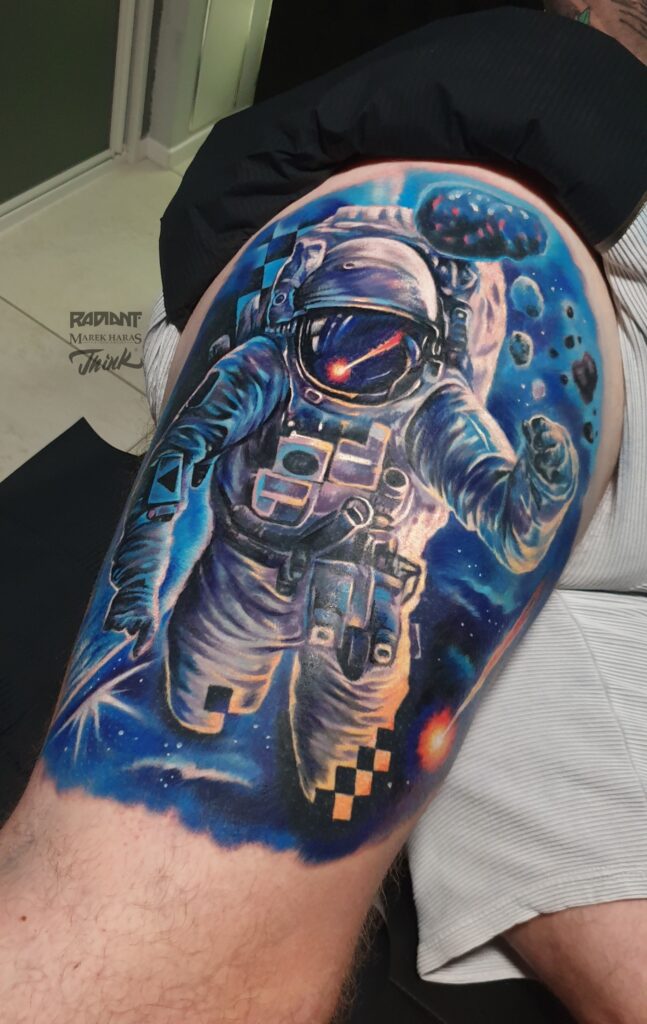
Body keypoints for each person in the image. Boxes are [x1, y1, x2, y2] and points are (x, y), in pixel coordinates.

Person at [0, 12, 644, 1024]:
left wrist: (530, 487)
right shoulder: (267, 364)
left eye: (379, 347)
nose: (352, 367)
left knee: (335, 756)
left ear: (419, 346)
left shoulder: (433, 402)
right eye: (336, 339)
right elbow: (176, 481)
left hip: (361, 599)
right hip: (244, 572)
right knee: (195, 712)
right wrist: (137, 594)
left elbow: (496, 508)